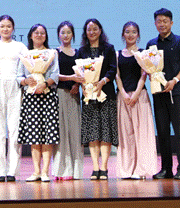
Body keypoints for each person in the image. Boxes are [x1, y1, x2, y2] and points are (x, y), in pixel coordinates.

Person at [147, 8, 180, 180]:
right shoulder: (151, 44)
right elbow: (149, 66)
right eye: (159, 21)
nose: (162, 24)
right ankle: (166, 168)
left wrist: (175, 80)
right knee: (163, 132)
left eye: (165, 21)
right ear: (155, 23)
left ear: (171, 23)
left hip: (177, 92)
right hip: (159, 93)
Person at [17, 24, 60, 182]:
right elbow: (18, 76)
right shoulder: (25, 55)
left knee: (48, 135)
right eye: (36, 32)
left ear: (46, 36)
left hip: (48, 95)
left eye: (42, 33)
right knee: (34, 136)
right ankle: (36, 171)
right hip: (31, 97)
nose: (39, 35)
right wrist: (25, 81)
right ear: (30, 36)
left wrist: (45, 84)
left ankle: (45, 172)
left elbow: (55, 74)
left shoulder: (52, 53)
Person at [115, 21, 156, 180]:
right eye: (127, 31)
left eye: (133, 32)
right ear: (123, 34)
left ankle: (141, 169)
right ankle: (127, 170)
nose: (130, 35)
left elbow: (143, 75)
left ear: (138, 35)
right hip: (123, 97)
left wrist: (136, 94)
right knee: (126, 135)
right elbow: (117, 76)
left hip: (140, 97)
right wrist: (124, 94)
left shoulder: (143, 53)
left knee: (142, 134)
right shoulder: (117, 54)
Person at [0, 15, 27, 182]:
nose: (5, 29)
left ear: (13, 28)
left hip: (15, 87)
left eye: (8, 26)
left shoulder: (20, 46)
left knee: (14, 130)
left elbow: (28, 68)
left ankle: (12, 171)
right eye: (2, 26)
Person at [78, 18, 117, 181]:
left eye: (95, 29)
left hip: (106, 94)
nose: (92, 32)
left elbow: (113, 69)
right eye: (89, 29)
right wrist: (83, 85)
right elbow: (79, 72)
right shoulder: (81, 51)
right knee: (93, 133)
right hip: (89, 96)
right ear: (85, 32)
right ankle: (95, 168)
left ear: (100, 30)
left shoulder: (109, 49)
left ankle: (104, 168)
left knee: (105, 131)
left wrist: (102, 82)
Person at [51, 21, 84, 181]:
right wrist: (71, 78)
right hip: (59, 94)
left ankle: (75, 171)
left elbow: (82, 74)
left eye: (68, 32)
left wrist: (77, 84)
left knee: (75, 132)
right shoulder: (55, 52)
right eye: (63, 32)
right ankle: (61, 170)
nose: (66, 35)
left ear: (73, 35)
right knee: (61, 133)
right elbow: (53, 75)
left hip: (74, 95)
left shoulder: (78, 53)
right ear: (58, 34)